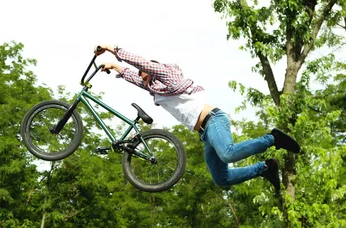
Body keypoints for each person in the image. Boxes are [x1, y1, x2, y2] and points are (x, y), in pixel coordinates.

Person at [94, 44, 301, 191]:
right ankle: (264, 168)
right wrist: (114, 67)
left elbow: (141, 63)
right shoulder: (155, 89)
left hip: (214, 121)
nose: (140, 76)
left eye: (142, 73)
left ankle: (273, 138)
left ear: (151, 70)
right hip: (205, 134)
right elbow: (133, 77)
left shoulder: (168, 75)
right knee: (222, 178)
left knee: (228, 154)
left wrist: (112, 49)